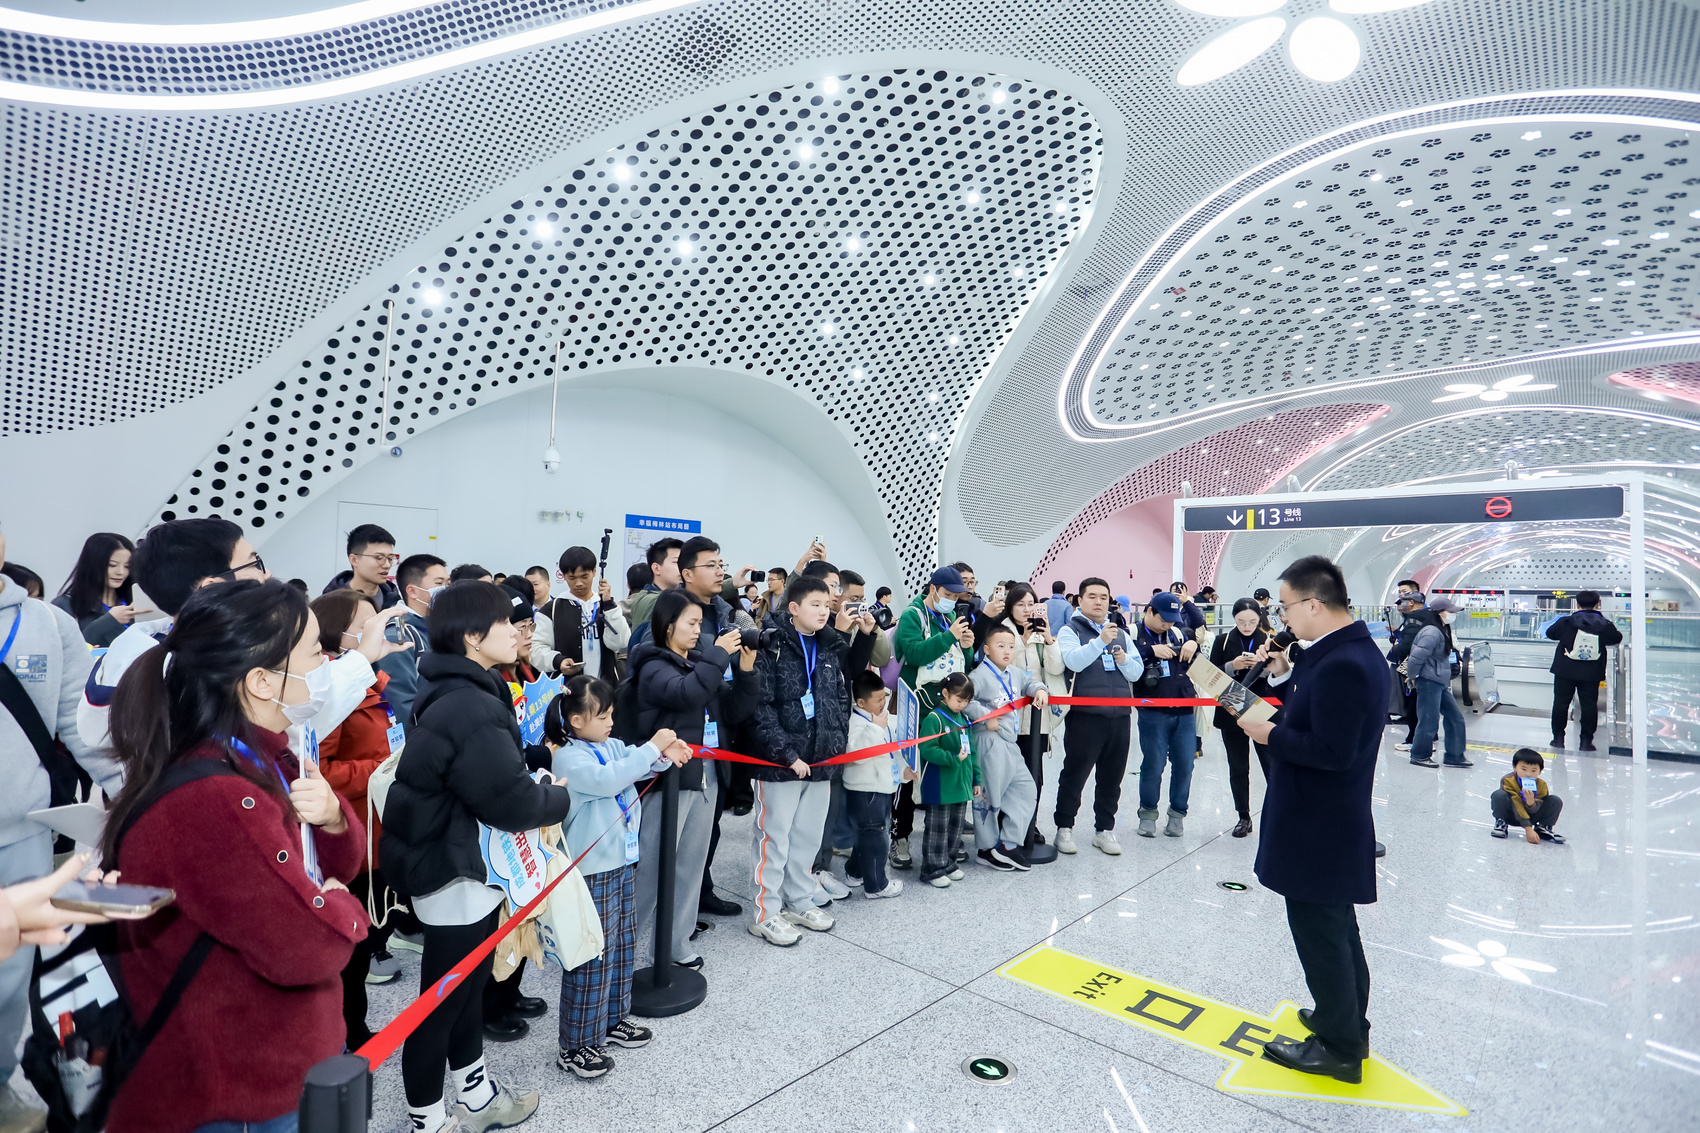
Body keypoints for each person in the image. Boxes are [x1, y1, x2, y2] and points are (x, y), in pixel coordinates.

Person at [101, 578, 370, 1133]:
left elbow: (335, 867)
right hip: (240, 1084)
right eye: (316, 652)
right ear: (262, 681)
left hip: (278, 1052)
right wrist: (343, 909)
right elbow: (305, 948)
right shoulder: (218, 796)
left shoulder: (264, 757)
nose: (328, 664)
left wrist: (335, 820)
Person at [382, 580, 572, 1133]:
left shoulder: (460, 685)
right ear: (471, 636)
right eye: (504, 623)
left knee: (467, 991)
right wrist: (556, 796)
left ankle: (476, 1095)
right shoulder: (471, 703)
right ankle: (428, 1119)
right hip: (453, 869)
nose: (517, 632)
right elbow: (511, 802)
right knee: (441, 1003)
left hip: (464, 859)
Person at [1237, 555, 1387, 1085]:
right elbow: (1320, 718)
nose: (1281, 617)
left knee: (1321, 934)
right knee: (1336, 927)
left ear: (1314, 604)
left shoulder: (1344, 664)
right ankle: (1341, 1020)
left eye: (1285, 607)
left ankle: (1340, 1049)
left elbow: (1332, 751)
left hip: (1318, 822)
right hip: (1327, 818)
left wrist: (1270, 734)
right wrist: (1282, 681)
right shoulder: (1343, 653)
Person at [0, 524, 124, 1133]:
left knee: (11, 976)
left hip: (21, 833)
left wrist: (136, 794)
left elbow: (83, 728)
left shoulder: (47, 623)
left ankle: (0, 1082)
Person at [545, 677, 688, 1079]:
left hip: (622, 862)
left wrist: (664, 754)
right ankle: (576, 1044)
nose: (610, 722)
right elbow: (611, 778)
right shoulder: (569, 759)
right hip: (591, 870)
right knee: (592, 952)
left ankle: (611, 1019)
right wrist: (654, 747)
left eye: (611, 714)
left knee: (622, 943)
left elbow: (635, 764)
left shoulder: (609, 746)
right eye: (602, 716)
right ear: (576, 720)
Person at [626, 589, 756, 966]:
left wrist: (747, 670)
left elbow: (733, 709)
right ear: (668, 626)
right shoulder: (652, 665)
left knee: (691, 865)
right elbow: (686, 694)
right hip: (667, 781)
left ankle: (675, 945)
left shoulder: (699, 663)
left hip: (706, 775)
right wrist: (718, 654)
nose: (699, 630)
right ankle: (619, 951)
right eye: (692, 623)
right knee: (652, 868)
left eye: (701, 623)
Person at [310, 589, 403, 1043]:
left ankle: (353, 1024)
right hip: (347, 834)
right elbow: (318, 770)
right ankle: (347, 1031)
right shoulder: (327, 691)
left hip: (376, 827)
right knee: (348, 942)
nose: (377, 631)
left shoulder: (369, 683)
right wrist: (382, 768)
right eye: (367, 625)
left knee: (366, 937)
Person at [746, 576, 850, 945]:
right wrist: (787, 754)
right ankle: (765, 912)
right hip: (779, 764)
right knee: (774, 839)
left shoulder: (828, 645)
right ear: (793, 608)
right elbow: (760, 708)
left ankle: (800, 899)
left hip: (820, 760)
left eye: (826, 605)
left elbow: (839, 698)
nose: (823, 611)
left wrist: (835, 746)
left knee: (807, 836)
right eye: (815, 605)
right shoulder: (771, 646)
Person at [666, 537, 757, 919]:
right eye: (711, 565)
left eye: (722, 564)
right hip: (679, 742)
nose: (720, 571)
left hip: (717, 732)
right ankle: (671, 910)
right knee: (676, 833)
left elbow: (730, 688)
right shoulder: (668, 615)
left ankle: (699, 894)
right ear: (687, 573)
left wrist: (747, 670)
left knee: (710, 825)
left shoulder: (727, 613)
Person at [889, 566, 976, 870]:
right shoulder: (912, 615)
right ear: (933, 589)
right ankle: (899, 836)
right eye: (948, 594)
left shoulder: (949, 617)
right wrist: (949, 636)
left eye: (956, 595)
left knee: (943, 771)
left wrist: (967, 647)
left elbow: (961, 664)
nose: (952, 600)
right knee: (909, 773)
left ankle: (943, 840)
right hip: (918, 707)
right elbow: (914, 654)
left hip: (947, 707)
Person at [1051, 578, 1144, 855]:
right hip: (1085, 715)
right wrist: (1099, 642)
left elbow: (1136, 673)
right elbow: (1073, 661)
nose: (1098, 601)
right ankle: (1064, 827)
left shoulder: (1121, 634)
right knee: (1075, 773)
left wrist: (1124, 660)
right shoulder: (1070, 630)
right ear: (1079, 601)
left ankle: (1104, 829)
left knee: (1112, 777)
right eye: (1092, 596)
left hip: (1120, 716)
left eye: (1103, 597)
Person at [991, 583, 1065, 853]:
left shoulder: (1041, 634)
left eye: (1030, 604)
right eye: (1020, 604)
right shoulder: (1002, 632)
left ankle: (1029, 824)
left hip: (1037, 717)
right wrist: (1022, 639)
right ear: (1010, 607)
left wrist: (1049, 639)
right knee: (1008, 775)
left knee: (1035, 775)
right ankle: (1005, 825)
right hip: (1008, 718)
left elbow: (1055, 668)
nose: (1026, 609)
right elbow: (1005, 666)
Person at [968, 624, 1047, 871]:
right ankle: (985, 849)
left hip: (1010, 742)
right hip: (989, 740)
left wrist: (1040, 689)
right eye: (1000, 646)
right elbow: (964, 700)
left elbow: (1030, 682)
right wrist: (985, 716)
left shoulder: (1013, 672)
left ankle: (1007, 844)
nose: (1007, 651)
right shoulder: (979, 675)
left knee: (1025, 789)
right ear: (986, 649)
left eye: (1011, 647)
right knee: (989, 796)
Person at [1128, 591, 1200, 838]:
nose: (1168, 624)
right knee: (1153, 763)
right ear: (1149, 611)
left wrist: (1193, 645)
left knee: (1185, 764)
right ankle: (1148, 813)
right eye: (1163, 619)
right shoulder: (1132, 633)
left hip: (1184, 708)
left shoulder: (1178, 633)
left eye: (1172, 620)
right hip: (1152, 710)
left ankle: (1177, 814)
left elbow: (1197, 663)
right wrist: (1150, 651)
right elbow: (1122, 660)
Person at [1209, 599, 1276, 838]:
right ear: (1234, 619)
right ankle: (1243, 816)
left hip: (1263, 709)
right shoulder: (1222, 640)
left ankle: (1279, 813)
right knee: (1238, 766)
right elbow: (1210, 675)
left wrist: (1262, 668)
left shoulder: (1270, 641)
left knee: (1271, 765)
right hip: (1232, 706)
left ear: (1260, 619)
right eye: (1241, 621)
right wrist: (1232, 665)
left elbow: (1281, 675)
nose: (1247, 626)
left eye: (1252, 621)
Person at [842, 670, 909, 898]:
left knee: (867, 835)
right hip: (865, 790)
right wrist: (876, 728)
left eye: (884, 697)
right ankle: (876, 886)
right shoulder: (857, 722)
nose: (883, 703)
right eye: (878, 699)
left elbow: (892, 748)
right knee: (875, 839)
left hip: (881, 786)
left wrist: (904, 771)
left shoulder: (879, 718)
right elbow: (856, 754)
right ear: (861, 702)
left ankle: (855, 872)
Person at [914, 672, 980, 888]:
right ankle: (932, 869)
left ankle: (949, 864)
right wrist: (952, 758)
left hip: (960, 785)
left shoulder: (965, 720)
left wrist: (976, 779)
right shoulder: (935, 719)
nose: (963, 705)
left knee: (955, 828)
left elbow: (972, 753)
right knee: (938, 829)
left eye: (966, 701)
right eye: (959, 700)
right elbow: (927, 748)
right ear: (945, 693)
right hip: (941, 786)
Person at [534, 547, 630, 683]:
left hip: (605, 687)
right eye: (572, 578)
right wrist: (558, 661)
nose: (579, 583)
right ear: (563, 575)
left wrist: (608, 604)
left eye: (584, 576)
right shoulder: (551, 610)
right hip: (568, 688)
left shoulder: (607, 606)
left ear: (594, 572)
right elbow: (537, 649)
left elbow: (620, 643)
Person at [1545, 590, 1623, 751]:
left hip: (1565, 669)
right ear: (1598, 604)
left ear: (1578, 604)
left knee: (1560, 703)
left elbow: (1550, 633)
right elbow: (1616, 638)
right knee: (1589, 705)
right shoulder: (1605, 624)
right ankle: (1586, 741)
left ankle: (1558, 738)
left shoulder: (1566, 622)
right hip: (1591, 671)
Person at [382, 552, 447, 730]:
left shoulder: (434, 626)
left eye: (448, 583)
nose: (446, 590)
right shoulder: (399, 634)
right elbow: (401, 701)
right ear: (412, 591)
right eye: (439, 584)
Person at [1405, 597, 1471, 769]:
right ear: (1440, 613)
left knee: (1455, 718)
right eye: (1450, 611)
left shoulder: (1443, 630)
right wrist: (1412, 676)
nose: (1453, 614)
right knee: (1429, 720)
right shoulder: (1431, 632)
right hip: (1429, 681)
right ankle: (1419, 755)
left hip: (1440, 681)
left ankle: (1454, 756)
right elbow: (1416, 657)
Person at [51, 532, 137, 648]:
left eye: (127, 566)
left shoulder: (135, 600)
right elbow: (62, 650)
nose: (121, 572)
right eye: (112, 565)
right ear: (92, 564)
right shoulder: (65, 604)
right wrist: (109, 621)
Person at [1491, 748, 1565, 843]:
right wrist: (1528, 828)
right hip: (1512, 815)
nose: (1528, 774)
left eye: (1534, 770)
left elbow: (1538, 807)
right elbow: (1516, 803)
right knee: (1498, 795)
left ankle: (1543, 827)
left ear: (1540, 771)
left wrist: (1531, 802)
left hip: (1532, 817)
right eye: (1523, 769)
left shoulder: (1541, 785)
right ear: (1515, 767)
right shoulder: (1508, 780)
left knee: (1555, 800)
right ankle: (1501, 823)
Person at [323, 523, 404, 608]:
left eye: (390, 558)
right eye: (379, 558)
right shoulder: (329, 603)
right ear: (354, 560)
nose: (387, 565)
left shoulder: (397, 604)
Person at [1385, 590, 1427, 753]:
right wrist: (1397, 634)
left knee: (1413, 703)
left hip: (1414, 665)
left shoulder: (1414, 618)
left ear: (1411, 602)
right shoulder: (1427, 617)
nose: (1401, 605)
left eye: (1403, 600)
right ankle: (1422, 737)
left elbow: (1407, 645)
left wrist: (1396, 649)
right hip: (1421, 666)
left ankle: (1414, 739)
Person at [626, 538, 684, 646]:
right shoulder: (658, 600)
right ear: (656, 568)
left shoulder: (643, 595)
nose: (682, 567)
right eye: (676, 562)